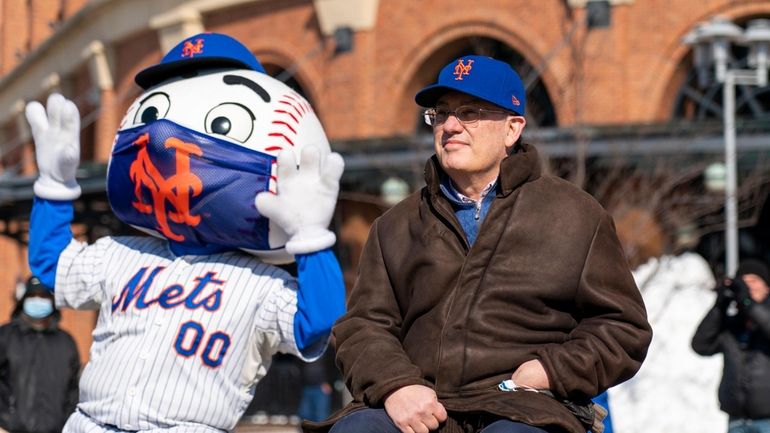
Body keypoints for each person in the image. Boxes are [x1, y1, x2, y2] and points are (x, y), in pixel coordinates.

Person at [303, 55, 652, 433]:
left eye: (470, 113)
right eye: (441, 114)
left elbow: (623, 327)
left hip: (525, 408)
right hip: (421, 405)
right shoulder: (395, 225)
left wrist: (550, 370)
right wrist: (396, 385)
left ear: (512, 129)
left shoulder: (575, 215)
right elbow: (362, 326)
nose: (450, 126)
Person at [24, 33, 345, 432]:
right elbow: (52, 264)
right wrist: (54, 187)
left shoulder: (264, 285)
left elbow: (318, 322)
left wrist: (312, 238)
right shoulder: (120, 252)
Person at [692, 259, 770, 433]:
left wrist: (749, 304)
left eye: (754, 281)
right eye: (744, 282)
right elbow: (701, 345)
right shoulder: (732, 325)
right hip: (737, 420)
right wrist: (720, 305)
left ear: (767, 287)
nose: (749, 286)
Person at [0, 276, 80, 433]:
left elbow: (74, 392)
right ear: (24, 300)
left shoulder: (66, 342)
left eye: (43, 296)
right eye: (32, 296)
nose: (38, 300)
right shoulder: (5, 336)